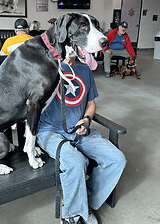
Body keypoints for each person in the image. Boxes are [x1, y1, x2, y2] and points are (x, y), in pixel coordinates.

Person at [36, 56, 127, 224]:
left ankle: (84, 203)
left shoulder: (85, 70)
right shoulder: (47, 66)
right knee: (76, 161)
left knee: (117, 159)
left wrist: (86, 119)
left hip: (79, 130)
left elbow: (91, 103)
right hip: (49, 131)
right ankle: (72, 215)